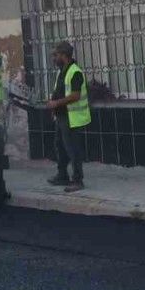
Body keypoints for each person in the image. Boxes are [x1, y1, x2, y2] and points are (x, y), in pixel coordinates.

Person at [46, 41, 90, 192]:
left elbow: (75, 96)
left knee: (73, 150)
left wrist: (56, 103)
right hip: (61, 116)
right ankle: (62, 175)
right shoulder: (61, 71)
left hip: (72, 117)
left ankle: (78, 180)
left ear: (64, 55)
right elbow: (59, 91)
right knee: (60, 147)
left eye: (56, 55)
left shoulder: (75, 72)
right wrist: (54, 106)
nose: (54, 58)